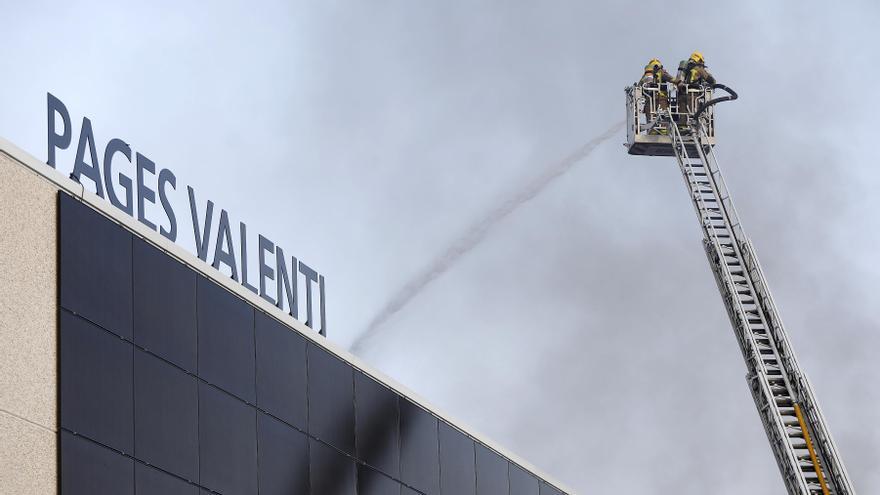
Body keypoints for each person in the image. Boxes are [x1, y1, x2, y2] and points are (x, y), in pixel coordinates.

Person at [677, 51, 716, 119]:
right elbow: (711, 80)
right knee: (693, 115)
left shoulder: (685, 67)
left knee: (683, 115)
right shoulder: (698, 68)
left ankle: (682, 125)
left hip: (682, 94)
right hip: (693, 95)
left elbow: (678, 80)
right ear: (699, 59)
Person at [639, 58, 677, 125]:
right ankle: (663, 129)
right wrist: (679, 82)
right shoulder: (661, 72)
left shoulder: (644, 76)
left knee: (650, 121)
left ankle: (652, 131)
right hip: (661, 100)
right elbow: (671, 79)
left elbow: (639, 88)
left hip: (649, 102)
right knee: (663, 119)